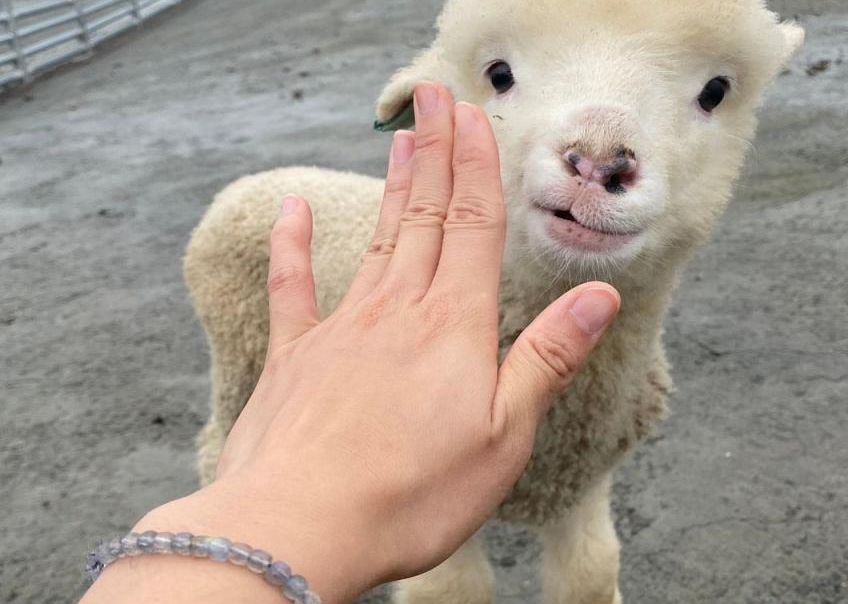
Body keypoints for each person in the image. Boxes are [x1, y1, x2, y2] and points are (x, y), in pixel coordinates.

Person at [79, 83, 620, 604]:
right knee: (241, 404)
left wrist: (239, 524)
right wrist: (257, 506)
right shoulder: (245, 221)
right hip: (260, 237)